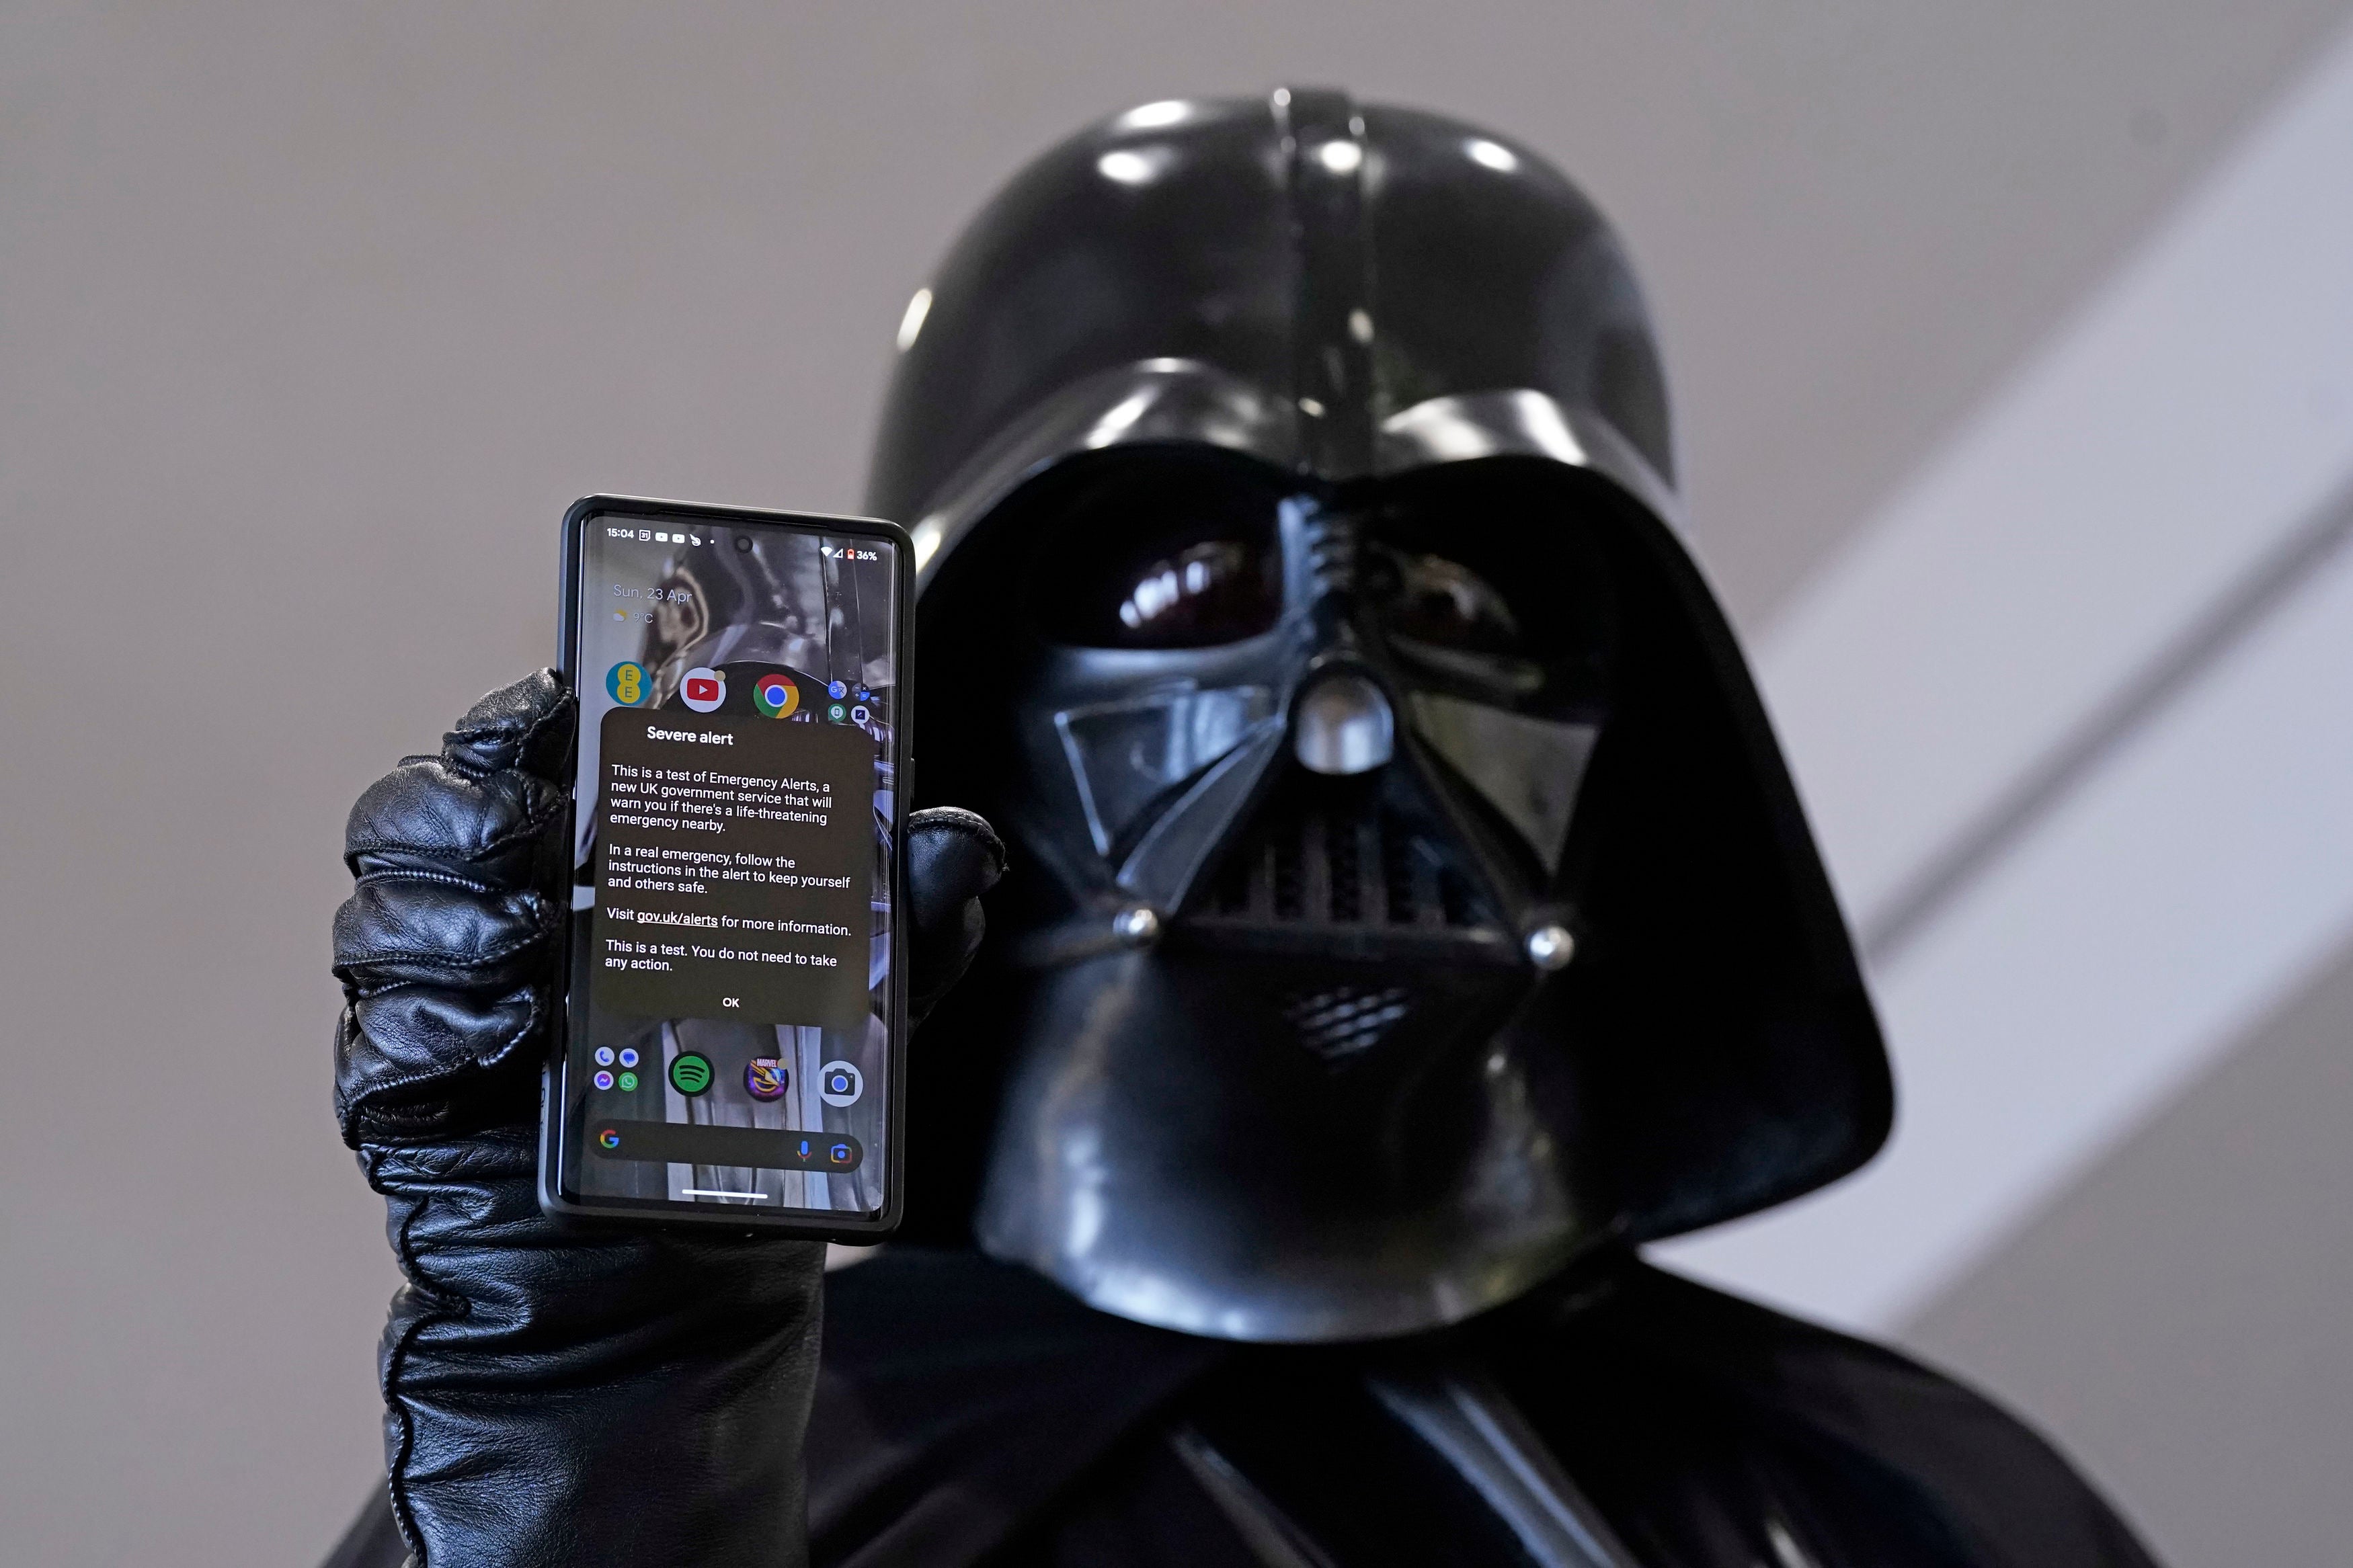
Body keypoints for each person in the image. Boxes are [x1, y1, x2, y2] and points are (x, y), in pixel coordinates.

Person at [327, 91, 2160, 1567]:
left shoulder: (1917, 1509)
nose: (1343, 712)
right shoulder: (730, 1460)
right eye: (1184, 583)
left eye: (1456, 595)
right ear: (975, 684)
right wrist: (590, 1404)